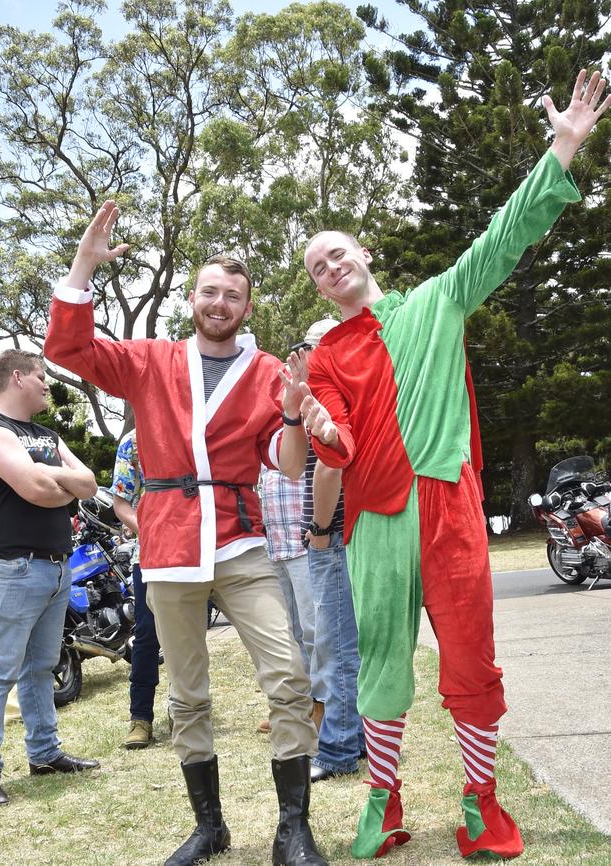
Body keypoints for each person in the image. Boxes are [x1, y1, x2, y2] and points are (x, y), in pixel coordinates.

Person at [294, 70, 611, 860]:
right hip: (376, 522)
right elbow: (338, 448)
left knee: (470, 655)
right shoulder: (324, 354)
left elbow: (504, 237)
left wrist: (561, 150)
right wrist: (318, 423)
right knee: (383, 667)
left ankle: (480, 801)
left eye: (337, 255)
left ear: (364, 255)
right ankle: (383, 801)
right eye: (316, 269)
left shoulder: (437, 300)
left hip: (449, 509)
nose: (331, 269)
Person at [44, 228, 328, 865]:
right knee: (187, 693)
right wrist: (85, 264)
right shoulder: (151, 360)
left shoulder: (267, 371)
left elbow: (286, 466)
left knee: (287, 674)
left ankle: (293, 828)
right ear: (191, 298)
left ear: (246, 307)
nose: (219, 303)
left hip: (239, 539)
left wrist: (289, 412)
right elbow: (68, 346)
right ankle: (210, 827)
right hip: (170, 541)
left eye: (232, 295)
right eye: (209, 292)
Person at [0, 349, 99, 808]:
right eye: (41, 376)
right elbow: (39, 491)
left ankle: (44, 753)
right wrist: (56, 480)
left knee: (40, 668)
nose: (47, 384)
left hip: (57, 567)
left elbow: (90, 483)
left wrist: (46, 471)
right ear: (17, 378)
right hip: (10, 568)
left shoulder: (46, 435)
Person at [294, 320, 364, 782]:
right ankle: (354, 738)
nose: (303, 357)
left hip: (334, 536)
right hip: (346, 535)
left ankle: (338, 749)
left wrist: (319, 529)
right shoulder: (342, 394)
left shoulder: (327, 397)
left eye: (310, 347)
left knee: (336, 647)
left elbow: (327, 469)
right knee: (345, 644)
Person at [259, 465, 323, 734]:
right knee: (288, 636)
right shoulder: (261, 425)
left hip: (303, 544)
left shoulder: (298, 424)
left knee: (315, 632)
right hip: (272, 546)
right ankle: (300, 706)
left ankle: (323, 707)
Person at [110, 427, 162, 749]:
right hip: (150, 555)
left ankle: (184, 708)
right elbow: (121, 503)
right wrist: (153, 532)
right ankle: (140, 718)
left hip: (191, 553)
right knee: (145, 634)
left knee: (188, 631)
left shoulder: (189, 422)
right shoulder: (132, 441)